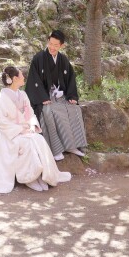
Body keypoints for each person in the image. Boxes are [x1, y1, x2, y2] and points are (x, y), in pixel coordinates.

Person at [0, 66, 72, 193]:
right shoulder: (2, 98)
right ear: (15, 79)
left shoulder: (23, 94)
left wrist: (32, 126)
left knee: (39, 140)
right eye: (21, 75)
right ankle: (29, 178)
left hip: (25, 130)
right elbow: (1, 121)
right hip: (9, 134)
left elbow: (30, 114)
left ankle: (43, 176)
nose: (24, 77)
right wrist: (20, 129)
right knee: (27, 144)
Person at [25, 29, 88, 161]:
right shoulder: (39, 58)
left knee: (74, 109)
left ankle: (72, 145)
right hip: (44, 96)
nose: (52, 47)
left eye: (56, 45)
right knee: (49, 112)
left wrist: (71, 96)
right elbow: (34, 80)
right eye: (50, 43)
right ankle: (55, 149)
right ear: (48, 41)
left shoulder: (63, 59)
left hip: (59, 94)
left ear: (61, 46)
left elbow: (70, 78)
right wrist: (42, 97)